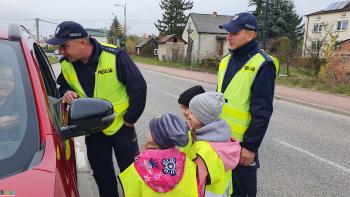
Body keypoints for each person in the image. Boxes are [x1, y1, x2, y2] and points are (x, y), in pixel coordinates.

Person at [47, 21, 147, 197]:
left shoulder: (114, 56)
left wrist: (130, 120)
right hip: (93, 129)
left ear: (82, 43)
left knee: (132, 173)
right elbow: (60, 87)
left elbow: (138, 87)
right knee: (102, 175)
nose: (61, 50)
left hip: (121, 127)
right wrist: (67, 92)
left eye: (65, 45)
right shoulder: (67, 64)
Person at [218, 12, 279, 197]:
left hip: (242, 147)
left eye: (234, 33)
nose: (228, 37)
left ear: (250, 35)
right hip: (220, 141)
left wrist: (250, 147)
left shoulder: (263, 64)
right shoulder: (225, 61)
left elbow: (262, 112)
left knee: (243, 192)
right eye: (228, 32)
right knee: (223, 190)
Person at [118, 113, 199, 197]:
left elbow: (129, 192)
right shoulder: (187, 164)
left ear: (155, 137)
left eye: (150, 130)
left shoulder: (138, 166)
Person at [188, 92, 241, 197]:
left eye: (193, 113)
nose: (189, 116)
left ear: (203, 118)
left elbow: (195, 181)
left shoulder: (204, 149)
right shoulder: (223, 139)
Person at [177, 85, 205, 155]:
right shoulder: (186, 127)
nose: (182, 111)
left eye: (185, 108)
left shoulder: (204, 131)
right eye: (181, 108)